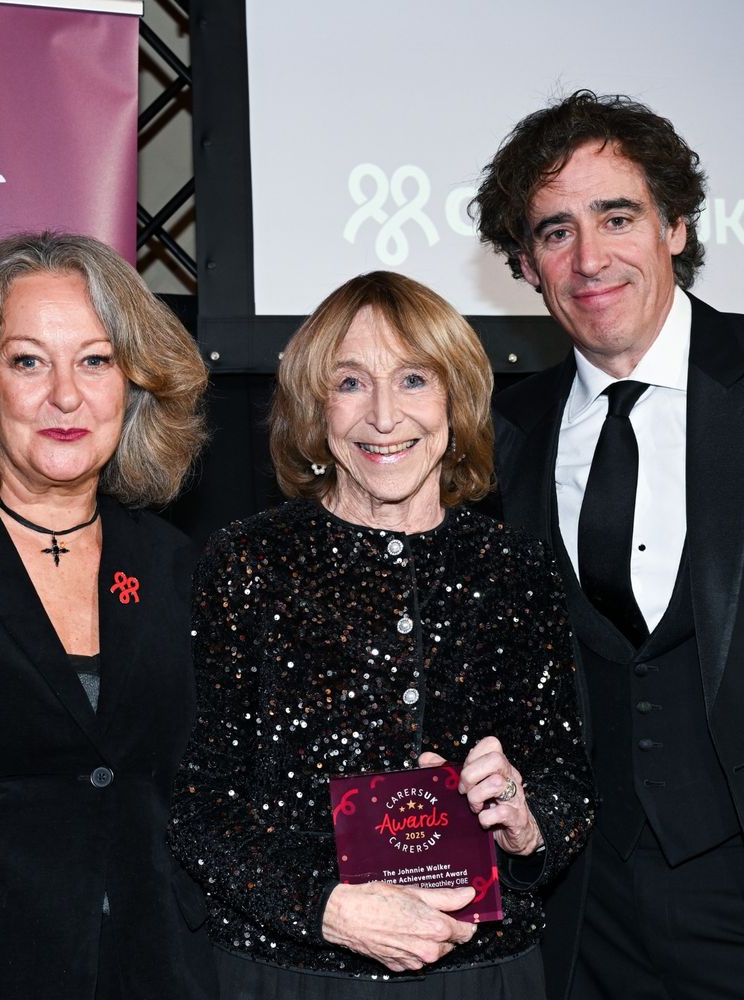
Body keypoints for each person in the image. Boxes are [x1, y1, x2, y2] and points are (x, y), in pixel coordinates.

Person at [170, 270, 593, 999]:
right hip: (292, 972)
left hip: (482, 973)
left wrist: (526, 824)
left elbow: (567, 785)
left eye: (415, 380)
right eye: (351, 383)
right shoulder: (248, 562)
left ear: (457, 402)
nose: (385, 415)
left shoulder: (515, 566)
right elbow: (195, 802)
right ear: (316, 408)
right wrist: (325, 908)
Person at [473, 89, 744, 1000]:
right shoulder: (498, 435)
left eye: (617, 216)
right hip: (582, 911)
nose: (590, 258)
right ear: (526, 263)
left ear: (674, 226)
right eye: (555, 231)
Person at [0, 231, 216, 999]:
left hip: (160, 965)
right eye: (28, 360)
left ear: (133, 383)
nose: (66, 395)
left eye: (95, 360)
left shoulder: (177, 567)